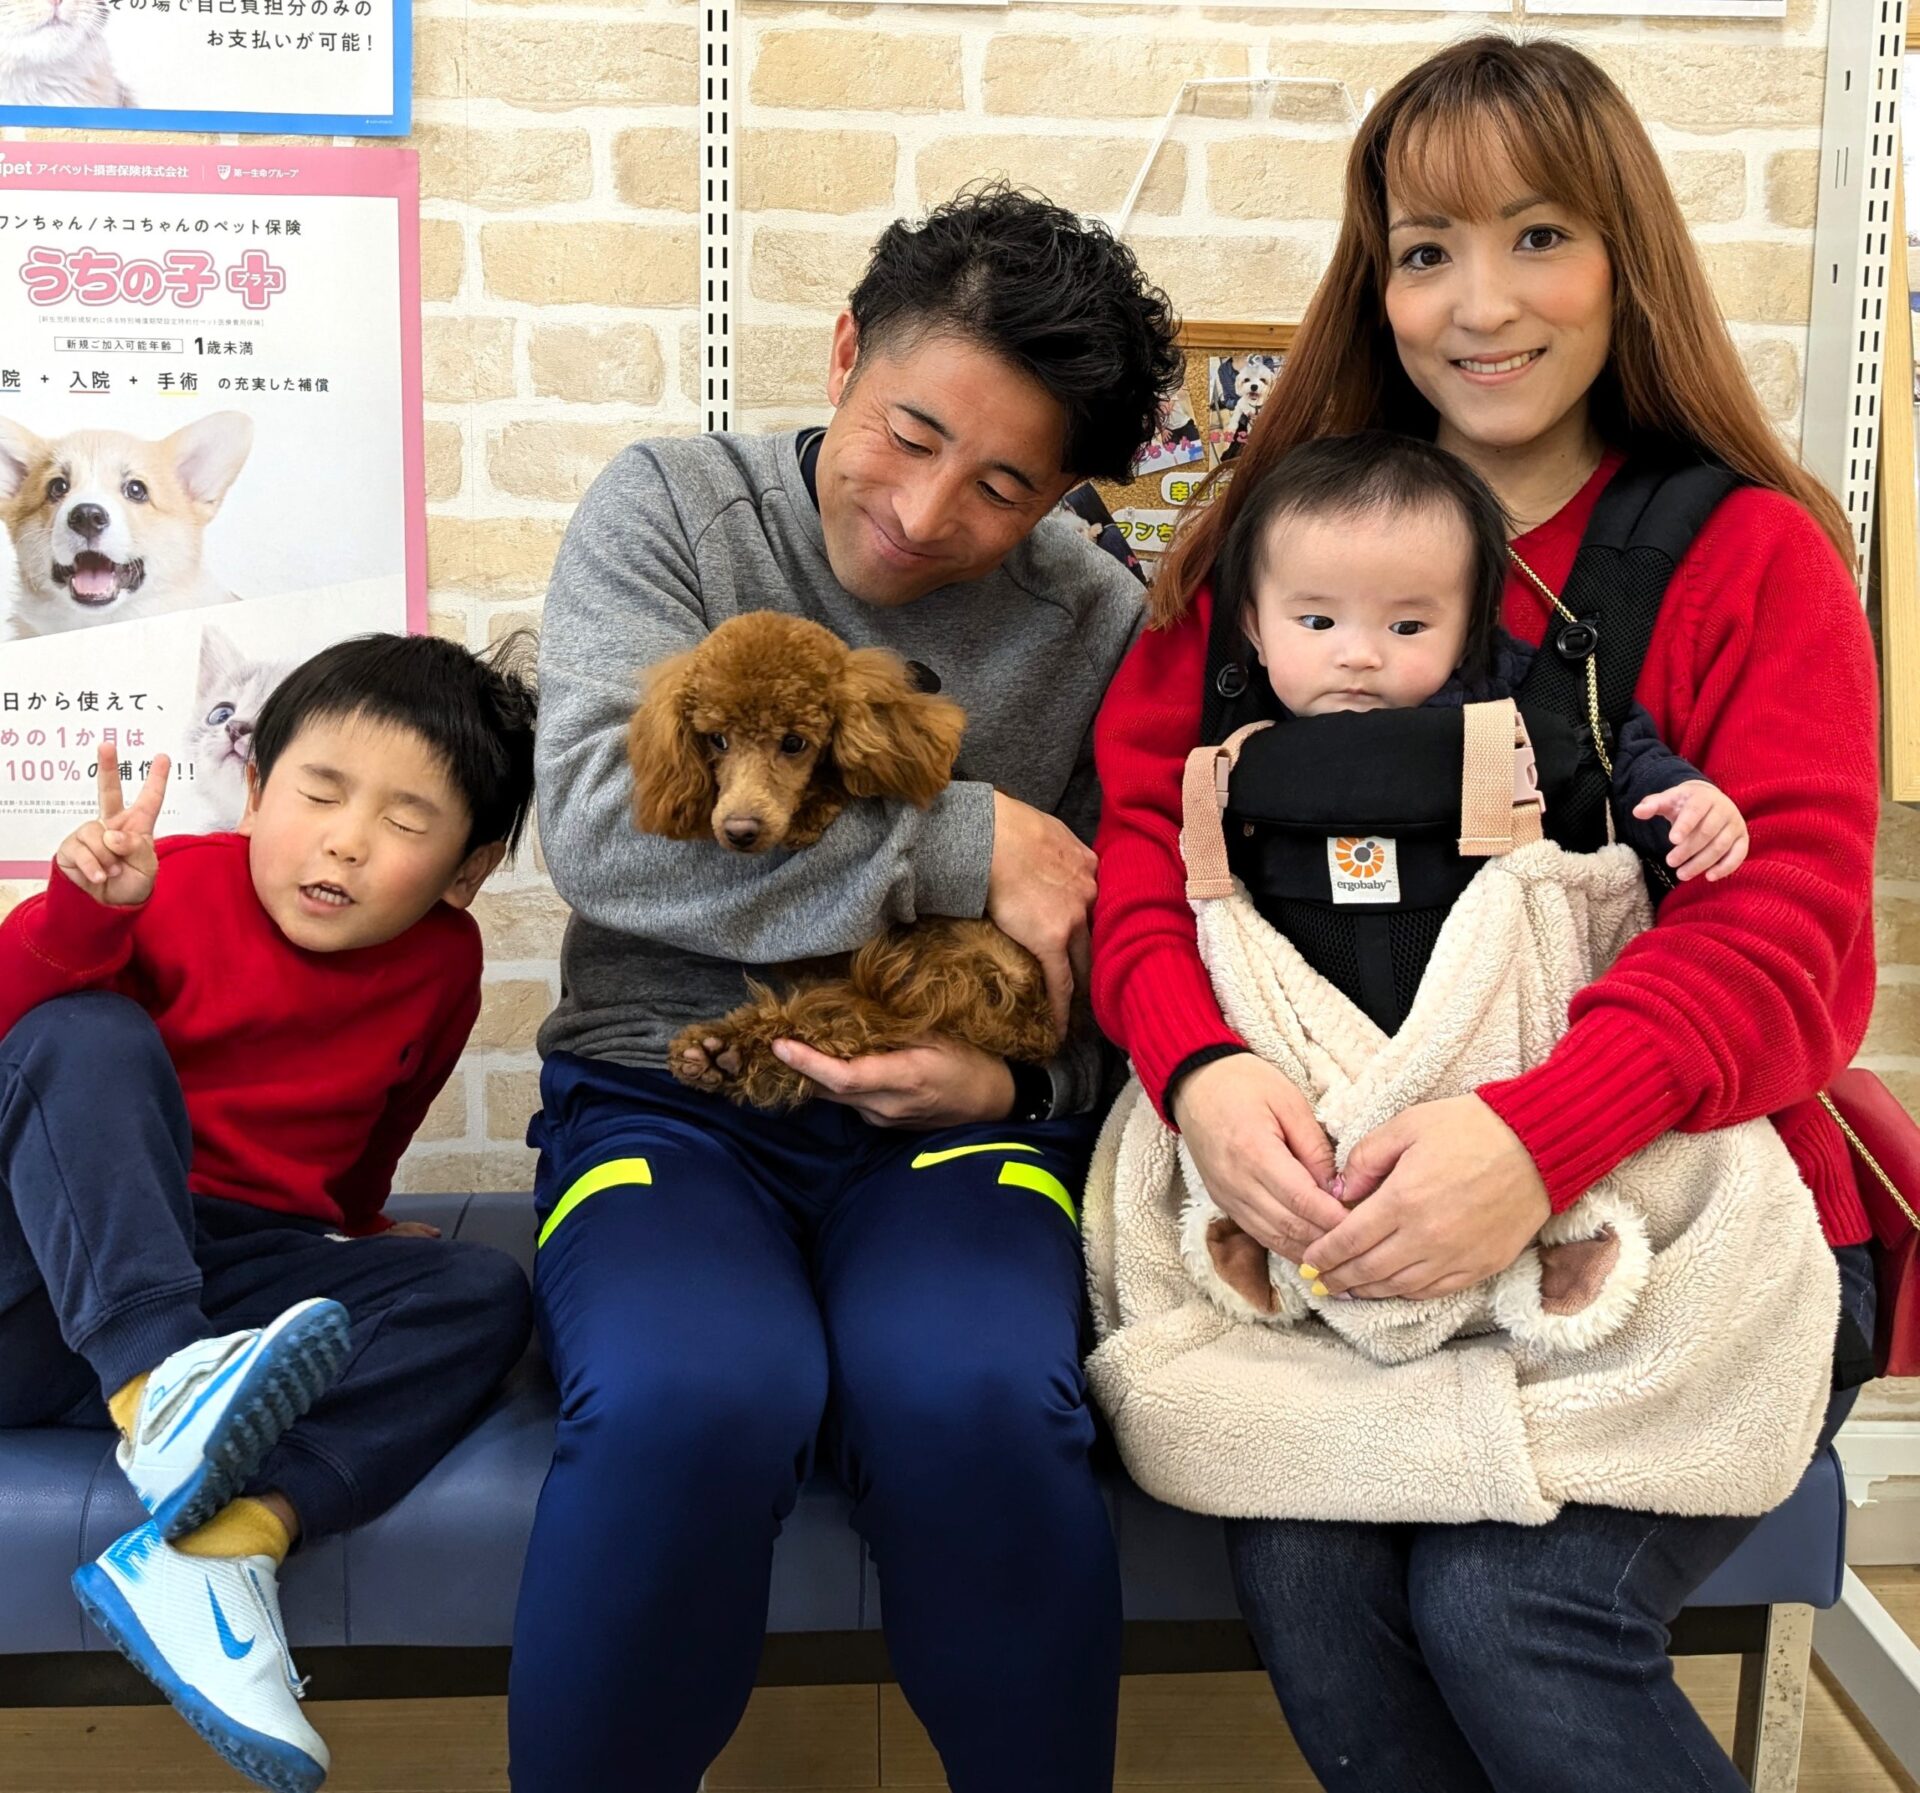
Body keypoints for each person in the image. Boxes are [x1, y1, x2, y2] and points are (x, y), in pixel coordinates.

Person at [1090, 36, 1880, 1792]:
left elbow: (1789, 929)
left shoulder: (1749, 553)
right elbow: (1145, 845)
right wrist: (1205, 1073)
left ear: (1625, 255)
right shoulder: (1276, 545)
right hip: (1347, 1225)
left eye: (1540, 237)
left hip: (1676, 1226)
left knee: (1507, 1603)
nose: (1480, 304)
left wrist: (1533, 1143)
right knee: (1310, 1574)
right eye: (1426, 251)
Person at [511, 185, 1181, 1793]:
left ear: (1065, 497)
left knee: (977, 1392)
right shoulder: (674, 508)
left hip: (956, 1116)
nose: (924, 511)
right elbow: (599, 830)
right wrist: (967, 841)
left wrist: (1017, 1085)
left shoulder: (1098, 620)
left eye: (1005, 485)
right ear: (844, 354)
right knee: (692, 1389)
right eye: (911, 432)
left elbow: (1128, 941)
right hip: (666, 1089)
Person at [0, 633, 538, 1793]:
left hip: (221, 1287)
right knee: (84, 1031)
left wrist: (362, 1229)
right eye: (319, 791)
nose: (346, 839)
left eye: (405, 820)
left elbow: (371, 1130)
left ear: (469, 868)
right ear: (253, 790)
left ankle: (221, 1545)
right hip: (45, 1271)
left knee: (483, 1288)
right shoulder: (169, 885)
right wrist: (85, 917)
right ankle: (160, 1391)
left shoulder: (444, 960)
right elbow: (22, 1050)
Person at [1221, 428, 1748, 891]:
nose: (1359, 656)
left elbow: (1612, 749)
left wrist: (1678, 800)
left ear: (1472, 629)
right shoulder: (1240, 719)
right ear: (1255, 629)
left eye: (1407, 627)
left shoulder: (1503, 692)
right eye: (1317, 622)